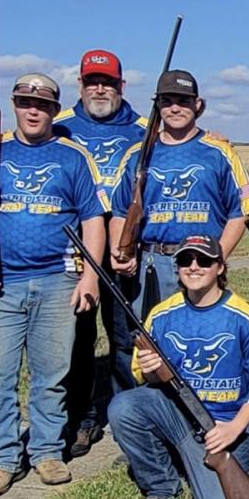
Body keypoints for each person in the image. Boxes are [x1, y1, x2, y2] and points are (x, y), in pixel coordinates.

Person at [0, 73, 108, 497]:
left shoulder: (73, 157)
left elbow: (93, 217)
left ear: (56, 110)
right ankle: (2, 460)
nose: (32, 110)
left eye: (42, 104)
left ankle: (47, 453)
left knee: (51, 376)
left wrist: (90, 274)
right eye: (24, 102)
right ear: (14, 106)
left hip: (57, 281)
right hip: (0, 286)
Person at [108, 235, 249, 499]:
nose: (194, 266)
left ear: (220, 267)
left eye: (204, 260)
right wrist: (151, 371)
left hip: (227, 428)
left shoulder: (243, 316)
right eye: (186, 260)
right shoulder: (162, 315)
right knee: (123, 407)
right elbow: (144, 379)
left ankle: (193, 461)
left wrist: (234, 427)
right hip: (180, 418)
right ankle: (161, 485)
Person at [54, 49, 148, 457]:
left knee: (127, 337)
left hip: (127, 253)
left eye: (107, 82)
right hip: (71, 254)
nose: (99, 88)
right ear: (80, 84)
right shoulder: (59, 128)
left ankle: (130, 414)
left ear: (121, 86)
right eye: (92, 81)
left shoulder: (147, 130)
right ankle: (81, 418)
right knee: (76, 341)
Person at [108, 70, 249, 319]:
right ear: (158, 106)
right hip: (153, 263)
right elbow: (121, 211)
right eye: (167, 101)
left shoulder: (219, 152)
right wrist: (120, 249)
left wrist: (216, 258)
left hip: (202, 262)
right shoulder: (137, 154)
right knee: (149, 342)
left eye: (183, 101)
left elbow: (240, 212)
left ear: (197, 105)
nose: (175, 108)